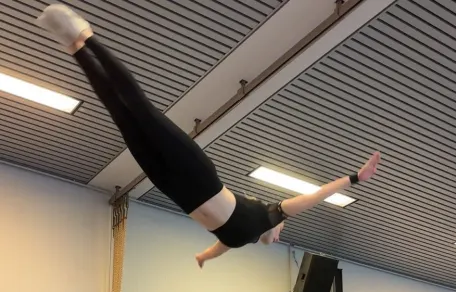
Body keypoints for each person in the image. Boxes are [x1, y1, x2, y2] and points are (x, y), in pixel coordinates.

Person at [35, 4, 381, 267]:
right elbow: (316, 195)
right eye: (281, 234)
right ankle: (88, 36)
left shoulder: (237, 240)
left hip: (171, 185)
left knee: (122, 119)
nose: (278, 238)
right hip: (196, 173)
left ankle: (75, 48)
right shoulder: (272, 214)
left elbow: (217, 249)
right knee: (141, 111)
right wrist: (354, 178)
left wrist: (203, 258)